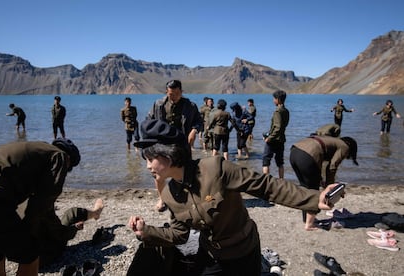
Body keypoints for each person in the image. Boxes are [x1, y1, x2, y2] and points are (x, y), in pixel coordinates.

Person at [126, 119, 341, 276]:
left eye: (150, 158)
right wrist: (146, 232)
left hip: (244, 251)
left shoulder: (216, 168)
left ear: (168, 153)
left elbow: (266, 186)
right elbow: (179, 234)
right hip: (210, 254)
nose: (147, 166)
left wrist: (314, 198)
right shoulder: (168, 194)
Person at [0, 138, 80, 275]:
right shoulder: (59, 156)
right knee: (30, 255)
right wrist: (29, 231)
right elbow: (42, 204)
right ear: (69, 159)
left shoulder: (37, 150)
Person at [147, 79, 203, 212]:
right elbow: (149, 121)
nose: (174, 97)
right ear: (166, 92)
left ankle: (186, 198)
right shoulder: (158, 104)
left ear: (182, 92)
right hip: (162, 145)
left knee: (185, 173)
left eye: (177, 93)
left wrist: (194, 131)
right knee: (158, 173)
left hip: (182, 145)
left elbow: (199, 122)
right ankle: (162, 198)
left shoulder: (190, 106)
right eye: (171, 94)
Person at [289, 135, 358, 230]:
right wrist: (330, 187)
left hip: (294, 152)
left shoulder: (331, 141)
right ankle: (309, 224)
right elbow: (332, 166)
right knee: (313, 192)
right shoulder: (344, 146)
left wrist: (321, 179)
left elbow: (320, 163)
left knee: (305, 189)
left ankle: (306, 219)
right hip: (307, 156)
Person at [36, 198, 104, 267]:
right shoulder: (41, 205)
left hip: (27, 263)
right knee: (71, 213)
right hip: (44, 258)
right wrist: (75, 228)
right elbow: (62, 234)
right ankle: (96, 213)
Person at [262, 90, 290, 178]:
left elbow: (277, 127)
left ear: (278, 99)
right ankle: (281, 180)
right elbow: (283, 126)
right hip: (281, 140)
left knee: (265, 161)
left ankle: (266, 181)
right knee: (280, 162)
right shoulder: (286, 110)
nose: (273, 100)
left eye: (274, 99)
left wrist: (269, 138)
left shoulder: (278, 111)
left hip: (273, 140)